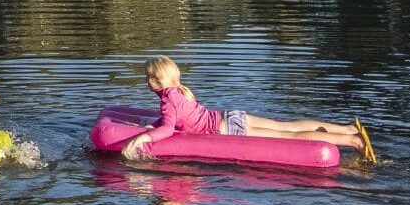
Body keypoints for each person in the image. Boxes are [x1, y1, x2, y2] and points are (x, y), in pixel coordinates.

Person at [120, 56, 374, 162]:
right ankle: (349, 128)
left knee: (291, 137)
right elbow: (172, 120)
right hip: (230, 116)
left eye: (149, 77)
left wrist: (143, 137)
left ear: (158, 81)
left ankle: (352, 141)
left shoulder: (168, 99)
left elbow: (166, 128)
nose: (146, 81)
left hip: (228, 128)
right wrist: (150, 124)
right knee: (288, 127)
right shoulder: (179, 91)